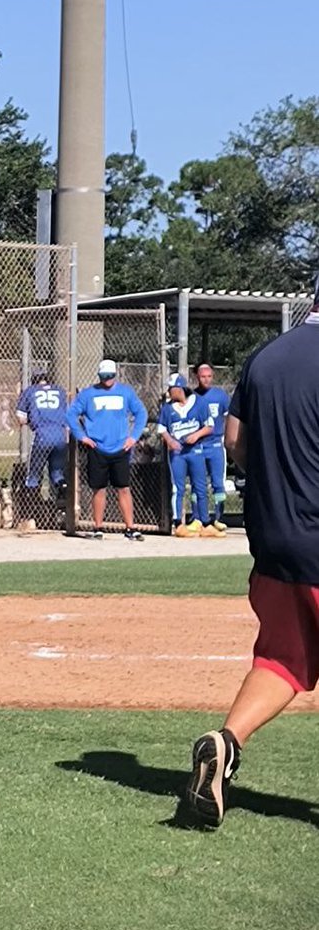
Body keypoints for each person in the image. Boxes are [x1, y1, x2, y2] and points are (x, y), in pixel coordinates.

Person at [184, 303, 319, 827]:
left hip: (276, 542)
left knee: (282, 660)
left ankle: (226, 741)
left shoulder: (264, 359)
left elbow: (235, 443)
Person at [66, 359, 147, 541]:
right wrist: (82, 436)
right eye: (104, 377)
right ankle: (98, 527)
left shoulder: (126, 392)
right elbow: (71, 415)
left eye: (110, 376)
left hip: (121, 448)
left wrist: (133, 437)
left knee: (123, 488)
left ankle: (130, 528)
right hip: (97, 447)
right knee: (98, 488)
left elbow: (141, 413)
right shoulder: (88, 394)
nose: (108, 380)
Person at [156, 372, 217, 538]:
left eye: (172, 388)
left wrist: (196, 435)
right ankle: (178, 524)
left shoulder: (199, 403)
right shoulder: (168, 408)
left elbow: (209, 425)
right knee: (178, 487)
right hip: (178, 453)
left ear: (180, 388)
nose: (169, 391)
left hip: (195, 450)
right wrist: (169, 440)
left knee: (200, 486)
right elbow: (162, 429)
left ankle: (205, 523)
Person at [15, 368, 68, 503]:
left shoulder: (30, 391)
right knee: (57, 473)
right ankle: (63, 498)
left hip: (43, 435)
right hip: (60, 435)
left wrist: (32, 422)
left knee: (34, 474)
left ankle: (31, 507)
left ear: (34, 379)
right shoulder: (60, 391)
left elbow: (20, 418)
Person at [194, 362, 231, 531]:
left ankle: (219, 518)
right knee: (197, 484)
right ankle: (198, 518)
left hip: (216, 444)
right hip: (198, 445)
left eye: (209, 376)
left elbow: (229, 419)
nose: (206, 380)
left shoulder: (221, 396)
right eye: (203, 376)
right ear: (197, 377)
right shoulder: (192, 397)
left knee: (218, 483)